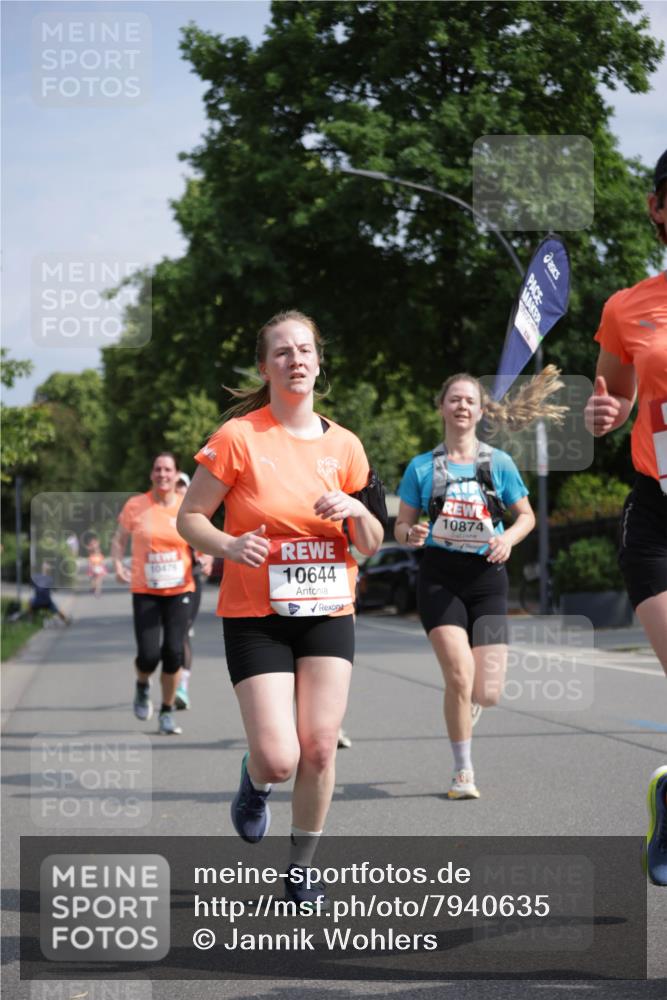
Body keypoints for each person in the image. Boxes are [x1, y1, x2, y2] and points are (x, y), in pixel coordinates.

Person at [177, 310, 384, 905]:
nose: (296, 360)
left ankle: (302, 865)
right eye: (283, 352)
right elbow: (190, 518)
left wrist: (356, 509)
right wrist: (230, 544)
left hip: (327, 608)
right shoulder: (239, 437)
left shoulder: (346, 445)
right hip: (255, 613)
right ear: (266, 367)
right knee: (278, 757)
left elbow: (371, 544)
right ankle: (254, 780)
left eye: (305, 350)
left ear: (319, 363)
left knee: (319, 746)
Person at [395, 370, 570, 799]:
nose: (461, 406)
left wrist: (507, 539)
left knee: (487, 693)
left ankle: (471, 701)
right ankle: (463, 772)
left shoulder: (498, 464)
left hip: (487, 578)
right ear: (442, 407)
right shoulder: (422, 467)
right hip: (440, 578)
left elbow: (526, 517)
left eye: (469, 401)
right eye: (453, 399)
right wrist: (410, 533)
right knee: (458, 675)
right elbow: (401, 525)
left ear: (480, 410)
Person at [584, 148, 667, 886]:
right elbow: (606, 403)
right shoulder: (627, 307)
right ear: (657, 208)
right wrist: (602, 412)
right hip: (658, 515)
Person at [111, 453, 195, 736]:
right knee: (148, 656)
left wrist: (206, 557)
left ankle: (167, 712)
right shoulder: (136, 505)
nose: (162, 474)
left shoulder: (187, 506)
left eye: (168, 469)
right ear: (151, 474)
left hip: (179, 589)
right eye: (157, 469)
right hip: (145, 590)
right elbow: (119, 539)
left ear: (176, 474)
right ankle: (142, 685)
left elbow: (200, 538)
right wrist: (118, 563)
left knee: (173, 652)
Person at [173, 471, 213, 709]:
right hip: (164, 586)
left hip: (191, 581)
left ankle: (182, 686)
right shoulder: (161, 514)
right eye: (175, 486)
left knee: (184, 632)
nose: (178, 489)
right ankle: (170, 678)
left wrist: (207, 558)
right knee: (170, 639)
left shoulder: (195, 515)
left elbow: (205, 540)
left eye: (182, 486)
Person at [86, 534, 107, 598]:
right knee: (93, 579)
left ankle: (98, 591)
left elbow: (101, 558)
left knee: (99, 580)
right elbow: (89, 554)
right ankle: (94, 588)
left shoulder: (98, 551)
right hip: (93, 565)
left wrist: (103, 564)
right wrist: (90, 565)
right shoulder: (91, 551)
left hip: (99, 565)